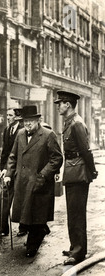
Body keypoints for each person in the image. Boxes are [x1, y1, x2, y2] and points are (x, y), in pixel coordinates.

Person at [4, 105, 63, 257]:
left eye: (31, 121)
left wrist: (43, 175)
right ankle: (40, 231)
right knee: (26, 216)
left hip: (39, 182)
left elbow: (57, 158)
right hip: (22, 182)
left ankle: (32, 245)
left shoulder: (48, 135)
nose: (28, 124)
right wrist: (9, 173)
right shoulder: (20, 134)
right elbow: (13, 156)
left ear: (38, 121)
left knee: (36, 214)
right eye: (25, 121)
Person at [54, 91, 98, 265]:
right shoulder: (70, 122)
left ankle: (79, 252)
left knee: (77, 213)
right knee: (72, 212)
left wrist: (92, 171)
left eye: (60, 103)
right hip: (73, 171)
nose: (58, 106)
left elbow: (86, 150)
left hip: (78, 173)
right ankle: (75, 247)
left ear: (68, 104)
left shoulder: (76, 123)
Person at [0, 107, 24, 237]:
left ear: (16, 117)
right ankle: (2, 227)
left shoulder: (22, 130)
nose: (8, 117)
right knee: (3, 196)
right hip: (8, 169)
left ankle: (23, 227)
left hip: (20, 169)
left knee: (21, 199)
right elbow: (5, 151)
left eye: (10, 115)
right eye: (8, 115)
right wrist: (3, 168)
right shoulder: (7, 130)